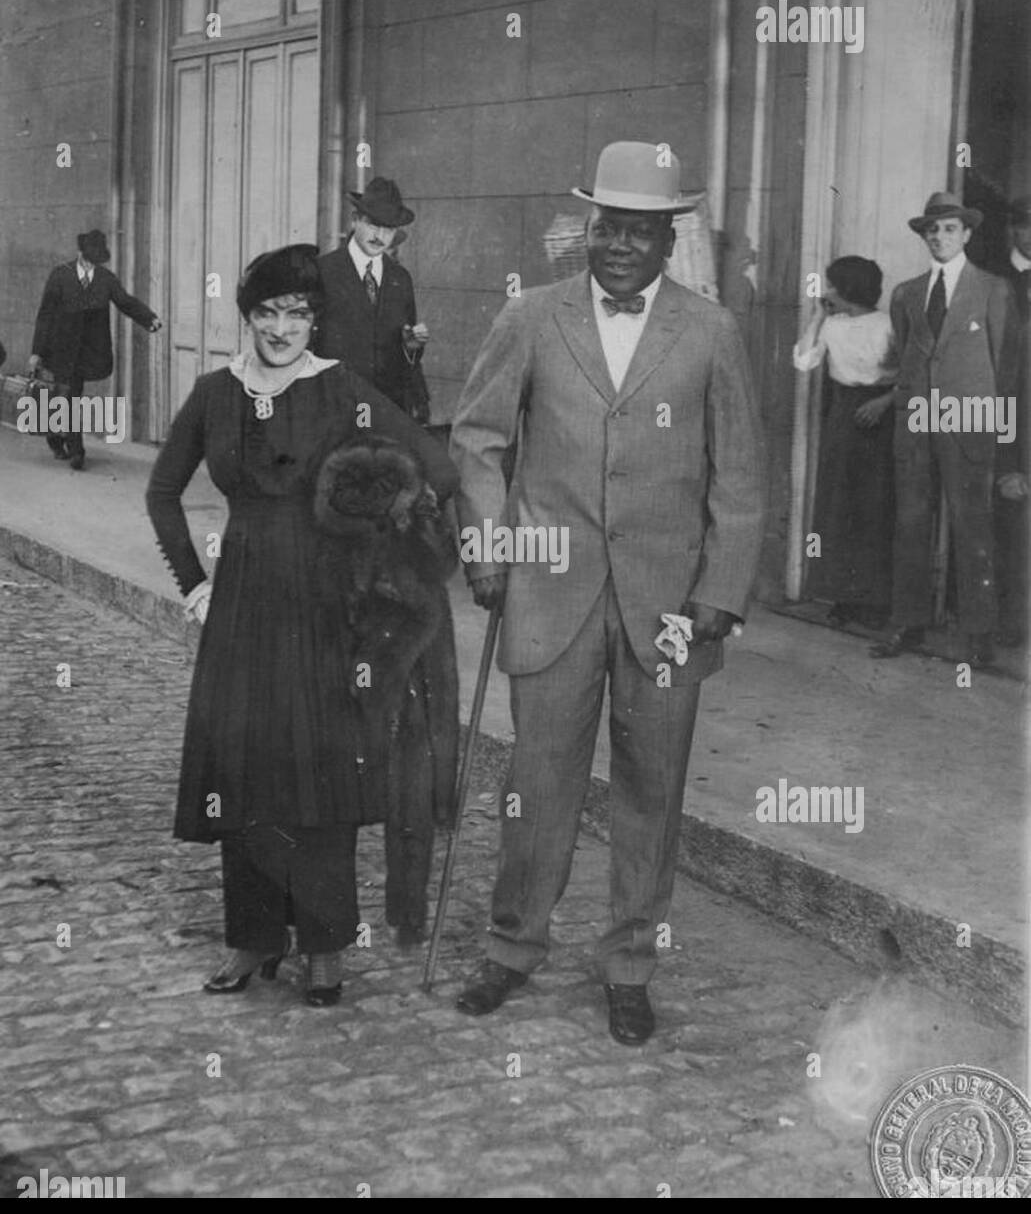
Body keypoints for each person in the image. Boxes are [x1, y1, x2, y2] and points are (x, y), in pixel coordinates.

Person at [448, 141, 765, 1045]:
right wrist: (485, 547)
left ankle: (630, 966)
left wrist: (720, 589)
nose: (620, 245)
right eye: (607, 226)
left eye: (640, 230)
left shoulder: (711, 332)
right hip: (549, 593)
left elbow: (738, 478)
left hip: (666, 610)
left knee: (650, 788)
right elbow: (474, 438)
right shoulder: (531, 317)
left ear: (669, 240)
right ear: (585, 230)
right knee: (535, 783)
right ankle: (511, 950)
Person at [145, 244, 457, 1006]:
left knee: (322, 775)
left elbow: (427, 464)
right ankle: (254, 939)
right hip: (242, 603)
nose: (282, 328)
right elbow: (161, 493)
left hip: (325, 609)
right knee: (246, 771)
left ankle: (325, 947)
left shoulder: (340, 388)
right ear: (246, 316)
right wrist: (194, 590)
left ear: (315, 320)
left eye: (298, 314)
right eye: (267, 313)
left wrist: (380, 532)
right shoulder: (215, 393)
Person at [870, 191, 1016, 667]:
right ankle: (906, 623)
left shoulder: (993, 289)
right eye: (932, 229)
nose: (939, 236)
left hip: (970, 419)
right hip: (916, 417)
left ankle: (978, 632)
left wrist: (1004, 437)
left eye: (950, 228)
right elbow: (910, 354)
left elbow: (1007, 366)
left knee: (972, 524)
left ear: (967, 234)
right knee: (910, 521)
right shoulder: (907, 293)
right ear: (924, 236)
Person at [793, 256, 897, 629]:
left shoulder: (888, 324)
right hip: (843, 414)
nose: (828, 291)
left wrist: (886, 402)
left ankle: (875, 601)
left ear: (849, 288)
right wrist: (819, 317)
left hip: (881, 415)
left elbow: (915, 372)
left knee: (875, 506)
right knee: (838, 504)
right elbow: (804, 361)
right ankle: (842, 595)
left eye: (833, 285)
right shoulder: (832, 325)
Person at [28, 229, 161, 469]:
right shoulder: (60, 275)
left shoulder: (106, 278)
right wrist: (36, 352)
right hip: (61, 349)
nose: (91, 265)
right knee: (69, 396)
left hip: (87, 351)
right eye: (88, 258)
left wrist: (149, 318)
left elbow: (125, 301)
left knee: (68, 396)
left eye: (95, 260)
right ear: (79, 253)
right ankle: (77, 451)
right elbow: (45, 315)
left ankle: (56, 436)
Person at [317, 178, 432, 424]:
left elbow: (405, 355)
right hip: (335, 414)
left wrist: (410, 348)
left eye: (389, 229)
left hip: (387, 415)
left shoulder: (400, 279)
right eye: (373, 224)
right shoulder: (322, 272)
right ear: (354, 219)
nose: (380, 236)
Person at [992, 196, 1031, 646]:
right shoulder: (989, 279)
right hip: (1009, 416)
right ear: (1013, 230)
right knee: (1010, 530)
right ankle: (1009, 625)